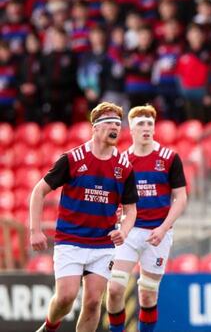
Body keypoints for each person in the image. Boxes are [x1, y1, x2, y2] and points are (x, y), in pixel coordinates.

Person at [29, 102, 138, 332]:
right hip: (71, 240)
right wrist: (35, 230)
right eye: (109, 122)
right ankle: (49, 327)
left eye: (118, 124)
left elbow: (131, 210)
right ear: (95, 127)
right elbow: (39, 191)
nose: (115, 127)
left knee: (91, 303)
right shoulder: (73, 159)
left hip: (102, 244)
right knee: (66, 297)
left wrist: (124, 230)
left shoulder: (124, 166)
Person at [106, 105, 188, 332]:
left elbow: (180, 198)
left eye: (150, 123)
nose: (146, 128)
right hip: (129, 232)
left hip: (158, 234)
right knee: (114, 289)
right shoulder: (121, 161)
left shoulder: (169, 158)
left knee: (148, 295)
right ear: (130, 129)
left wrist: (163, 228)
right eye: (140, 123)